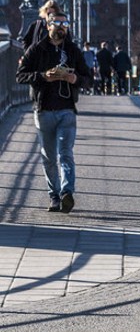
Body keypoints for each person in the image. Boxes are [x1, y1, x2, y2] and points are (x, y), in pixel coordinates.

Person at [16, 12, 90, 213]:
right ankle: (54, 196)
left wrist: (75, 80)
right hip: (44, 110)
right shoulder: (37, 49)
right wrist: (42, 76)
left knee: (65, 153)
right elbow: (20, 76)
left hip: (67, 110)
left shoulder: (73, 50)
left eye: (65, 23)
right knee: (48, 157)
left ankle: (67, 193)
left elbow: (88, 77)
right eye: (57, 22)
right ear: (48, 25)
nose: (62, 26)